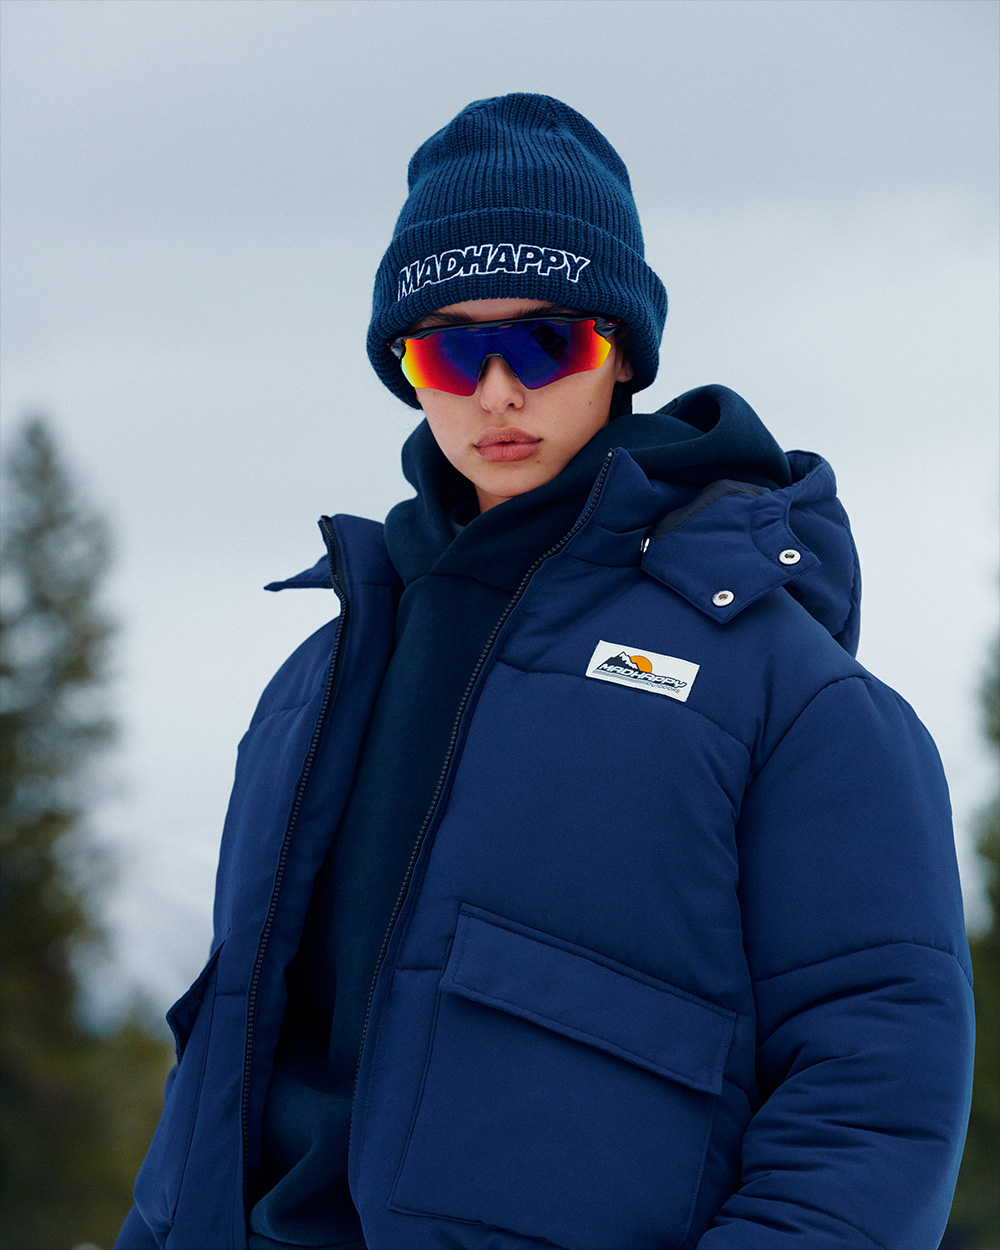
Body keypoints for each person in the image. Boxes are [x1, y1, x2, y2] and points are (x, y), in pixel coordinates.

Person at [116, 94, 974, 1250]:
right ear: (404, 367)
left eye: (543, 341)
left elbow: (873, 1092)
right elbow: (223, 1071)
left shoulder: (784, 691)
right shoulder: (312, 686)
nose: (496, 390)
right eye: (449, 347)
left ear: (620, 355)